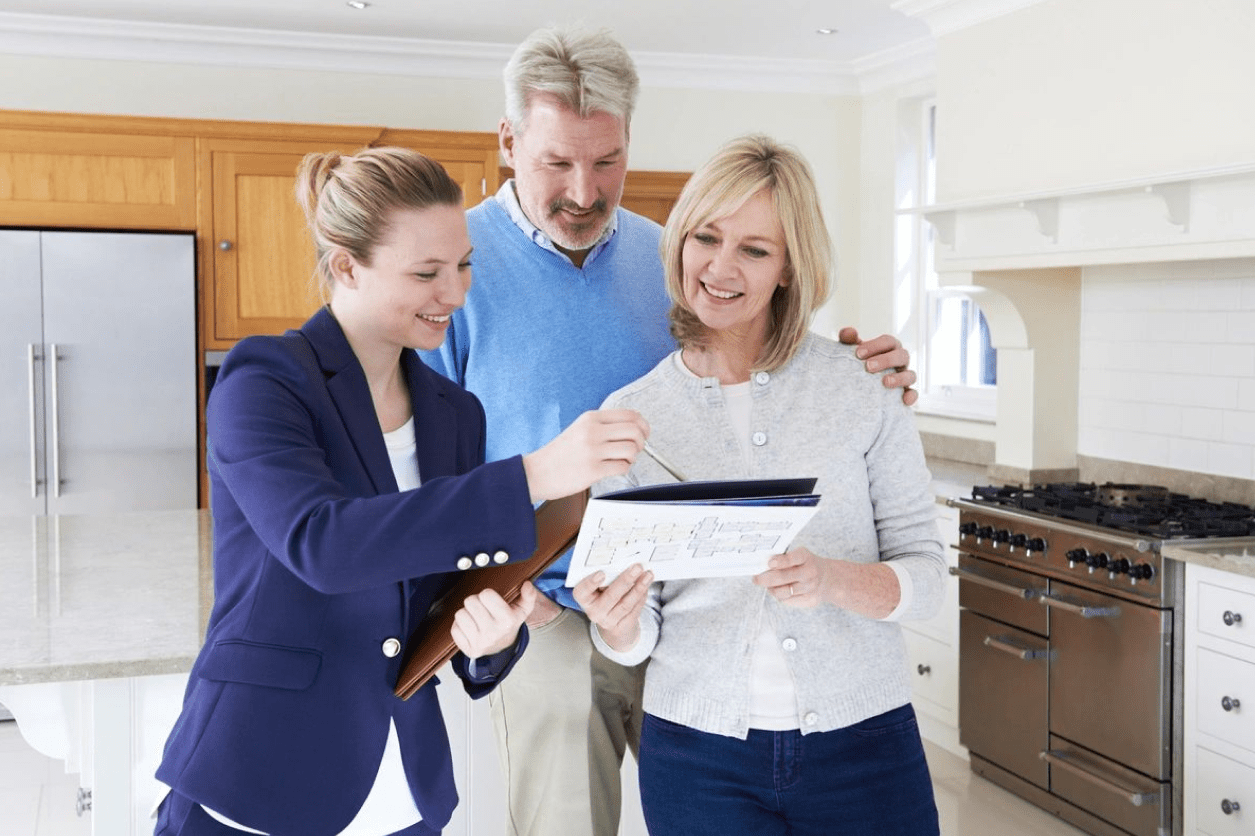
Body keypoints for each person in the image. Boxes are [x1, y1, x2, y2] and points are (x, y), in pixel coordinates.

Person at [420, 27, 920, 836]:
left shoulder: (676, 261)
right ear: (509, 142)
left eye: (606, 160)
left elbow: (766, 377)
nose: (583, 190)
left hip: (692, 620)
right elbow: (422, 479)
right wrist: (519, 604)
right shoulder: (455, 270)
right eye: (555, 162)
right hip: (546, 615)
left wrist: (872, 366)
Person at [153, 146, 648, 836]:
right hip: (258, 776)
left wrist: (492, 636)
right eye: (426, 273)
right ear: (346, 266)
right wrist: (534, 474)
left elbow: (438, 589)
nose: (455, 294)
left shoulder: (452, 411)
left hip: (400, 787)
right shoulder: (265, 381)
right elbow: (324, 544)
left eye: (463, 265)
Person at [574, 134, 945, 835]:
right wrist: (615, 623)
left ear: (788, 267)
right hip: (695, 757)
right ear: (678, 242)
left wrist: (830, 581)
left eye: (753, 249)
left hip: (864, 743)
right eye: (705, 237)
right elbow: (635, 637)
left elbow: (926, 577)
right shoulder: (629, 419)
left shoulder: (863, 385)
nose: (718, 267)